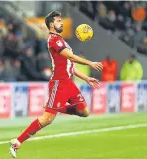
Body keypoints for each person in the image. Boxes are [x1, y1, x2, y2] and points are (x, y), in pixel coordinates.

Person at [9, 11, 103, 158]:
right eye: (59, 21)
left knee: (84, 112)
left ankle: (54, 106)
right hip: (59, 84)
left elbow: (69, 63)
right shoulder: (54, 40)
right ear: (51, 24)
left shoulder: (62, 41)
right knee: (47, 119)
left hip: (69, 83)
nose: (62, 23)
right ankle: (17, 142)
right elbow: (71, 56)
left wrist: (85, 78)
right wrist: (90, 63)